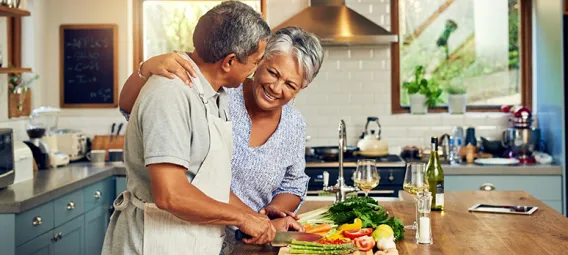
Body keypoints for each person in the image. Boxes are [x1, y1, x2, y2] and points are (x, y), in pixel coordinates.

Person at [119, 26, 325, 253]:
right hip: (185, 233)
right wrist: (145, 69)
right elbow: (133, 108)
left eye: (290, 85)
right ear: (259, 62)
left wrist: (265, 218)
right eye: (273, 73)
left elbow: (293, 184)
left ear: (301, 89)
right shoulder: (222, 91)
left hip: (250, 240)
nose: (276, 88)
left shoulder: (294, 124)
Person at [102, 2, 283, 255]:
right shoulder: (170, 93)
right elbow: (171, 195)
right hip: (155, 243)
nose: (254, 71)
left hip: (191, 242)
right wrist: (241, 219)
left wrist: (257, 220)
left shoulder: (216, 95)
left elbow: (209, 185)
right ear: (229, 61)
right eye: (255, 62)